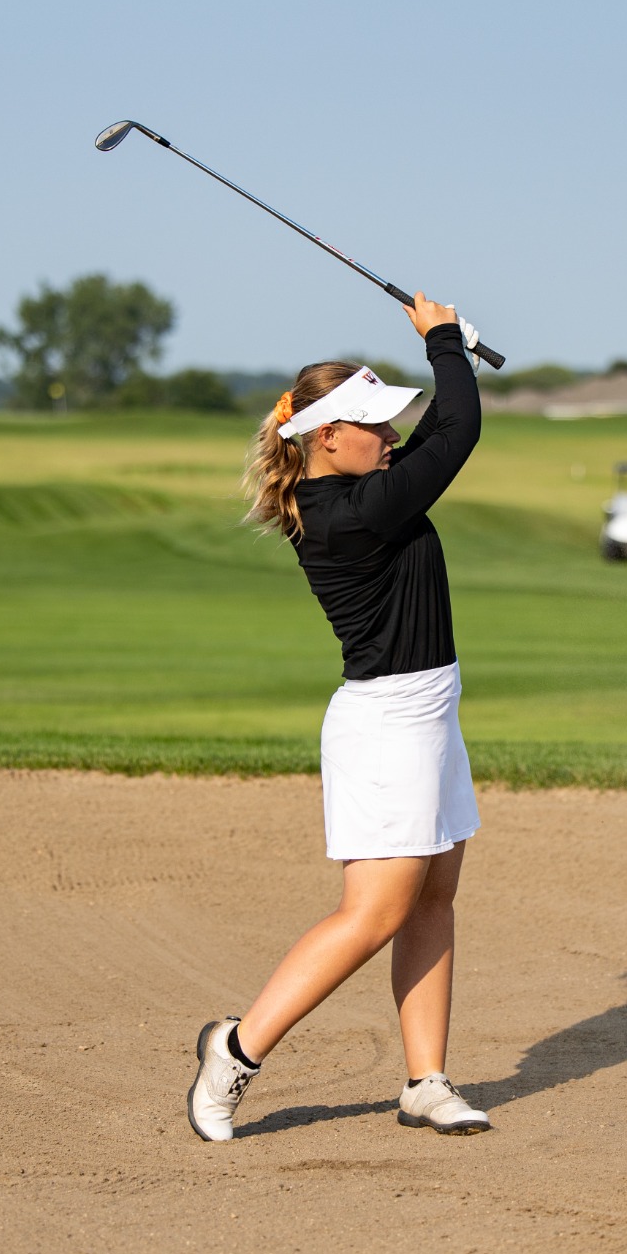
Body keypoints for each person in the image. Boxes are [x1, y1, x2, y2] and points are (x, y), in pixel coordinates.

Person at [187, 293, 489, 1142]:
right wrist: (441, 344)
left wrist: (451, 354)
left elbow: (439, 430)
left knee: (435, 895)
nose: (390, 438)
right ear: (327, 437)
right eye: (374, 427)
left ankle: (426, 1080)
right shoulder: (350, 516)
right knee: (374, 913)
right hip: (388, 727)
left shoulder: (365, 491)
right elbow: (456, 433)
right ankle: (235, 1050)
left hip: (429, 714)